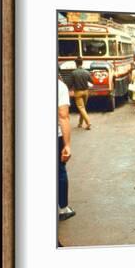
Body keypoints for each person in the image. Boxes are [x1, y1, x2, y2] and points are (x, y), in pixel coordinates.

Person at [58, 77, 75, 221]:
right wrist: (67, 145)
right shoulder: (59, 86)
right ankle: (62, 208)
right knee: (59, 170)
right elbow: (63, 116)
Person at [70, 59, 92, 130]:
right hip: (86, 92)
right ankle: (80, 123)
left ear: (76, 64)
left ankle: (88, 123)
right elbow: (91, 81)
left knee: (81, 108)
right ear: (82, 63)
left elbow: (70, 84)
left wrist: (70, 90)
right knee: (83, 108)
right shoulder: (86, 72)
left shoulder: (73, 73)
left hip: (78, 92)